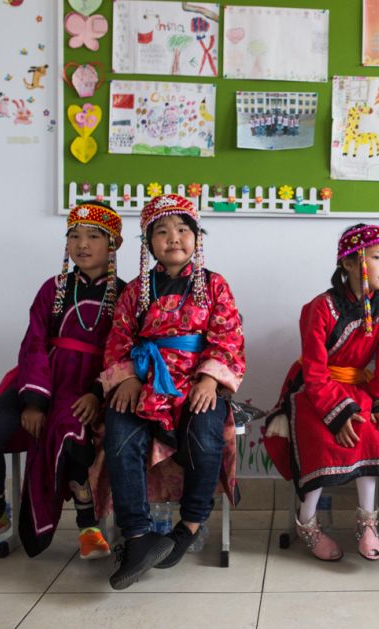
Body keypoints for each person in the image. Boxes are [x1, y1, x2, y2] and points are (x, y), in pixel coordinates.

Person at [0, 202, 124, 560]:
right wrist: (34, 400)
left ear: (113, 244)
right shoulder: (54, 288)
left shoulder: (125, 293)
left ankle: (88, 526)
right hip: (40, 378)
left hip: (86, 386)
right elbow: (33, 342)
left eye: (93, 236)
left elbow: (123, 353)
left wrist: (97, 393)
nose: (82, 244)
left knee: (71, 432)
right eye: (74, 236)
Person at [100, 194, 245, 589]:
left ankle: (190, 525)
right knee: (119, 431)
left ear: (197, 238)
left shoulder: (215, 285)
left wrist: (210, 380)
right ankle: (138, 536)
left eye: (183, 229)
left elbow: (228, 337)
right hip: (146, 382)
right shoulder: (134, 291)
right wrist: (128, 378)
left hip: (197, 382)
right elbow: (118, 338)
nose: (173, 238)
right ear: (148, 243)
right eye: (161, 232)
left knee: (204, 435)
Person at [263, 224, 379, 561]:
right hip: (315, 390)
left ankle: (367, 522)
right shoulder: (320, 308)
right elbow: (313, 369)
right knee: (325, 440)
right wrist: (339, 414)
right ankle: (307, 522)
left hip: (357, 387)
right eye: (376, 257)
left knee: (371, 433)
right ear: (350, 264)